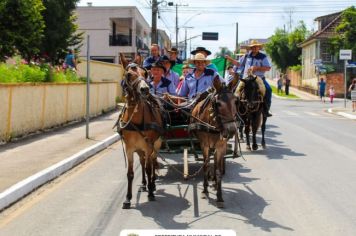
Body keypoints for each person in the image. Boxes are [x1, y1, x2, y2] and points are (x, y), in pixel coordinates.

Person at [225, 40, 272, 116]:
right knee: (236, 91)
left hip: (258, 79)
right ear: (251, 48)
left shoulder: (263, 57)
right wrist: (229, 59)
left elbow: (268, 68)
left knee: (269, 90)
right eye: (253, 47)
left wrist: (256, 68)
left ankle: (266, 110)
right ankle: (234, 109)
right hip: (246, 79)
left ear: (258, 47)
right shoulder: (247, 56)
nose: (254, 48)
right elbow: (238, 64)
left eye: (256, 47)